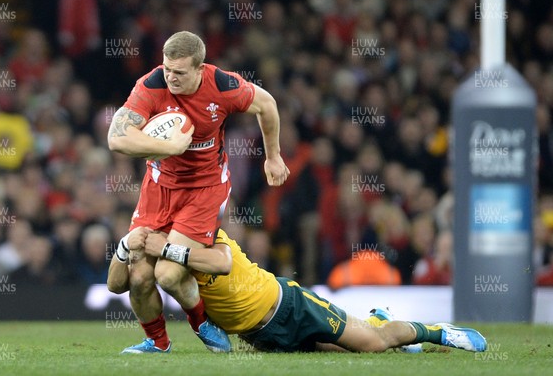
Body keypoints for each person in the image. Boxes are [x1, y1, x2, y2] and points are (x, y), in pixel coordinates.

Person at [107, 31, 289, 353]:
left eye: (179, 72)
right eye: (167, 69)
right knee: (138, 276)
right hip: (159, 187)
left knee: (168, 272)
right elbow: (117, 138)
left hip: (203, 189)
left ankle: (202, 322)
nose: (171, 77)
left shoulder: (222, 85)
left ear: (200, 68)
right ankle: (157, 342)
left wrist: (273, 156)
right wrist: (166, 146)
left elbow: (267, 105)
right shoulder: (151, 85)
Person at [107, 227, 487, 354]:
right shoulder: (156, 253)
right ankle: (378, 320)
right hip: (260, 336)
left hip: (288, 306)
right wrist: (126, 245)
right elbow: (117, 283)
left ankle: (439, 332)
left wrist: (168, 248)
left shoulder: (205, 235)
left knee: (374, 343)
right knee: (343, 351)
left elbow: (221, 262)